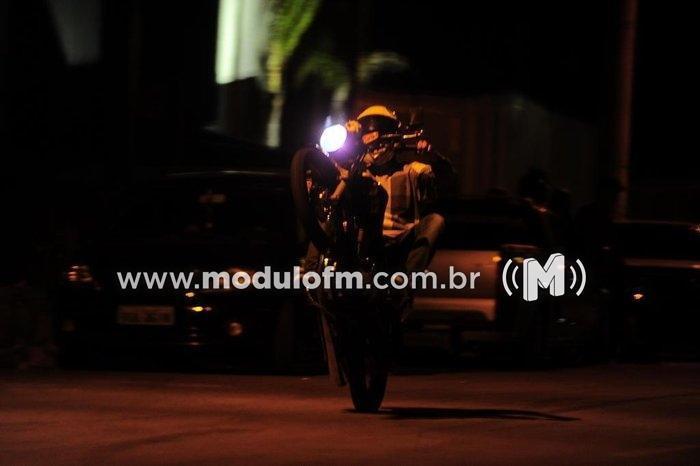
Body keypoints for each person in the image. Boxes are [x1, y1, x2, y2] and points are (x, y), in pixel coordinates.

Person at [304, 105, 453, 276]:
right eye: (367, 134)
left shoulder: (412, 170)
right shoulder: (355, 172)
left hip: (400, 243)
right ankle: (310, 276)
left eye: (381, 135)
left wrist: (433, 156)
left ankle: (406, 280)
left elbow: (448, 178)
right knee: (330, 212)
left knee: (435, 221)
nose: (375, 144)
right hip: (363, 239)